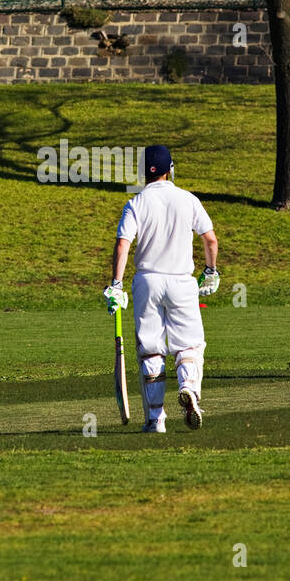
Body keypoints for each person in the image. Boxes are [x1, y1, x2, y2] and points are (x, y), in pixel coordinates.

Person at [104, 145, 218, 433]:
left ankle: (156, 419)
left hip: (148, 282)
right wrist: (211, 270)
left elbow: (122, 244)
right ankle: (189, 387)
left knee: (152, 350)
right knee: (188, 345)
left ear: (145, 172)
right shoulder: (188, 199)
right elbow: (210, 239)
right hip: (181, 282)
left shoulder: (137, 203)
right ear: (170, 169)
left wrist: (116, 285)